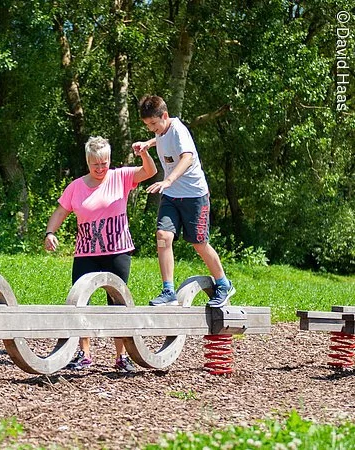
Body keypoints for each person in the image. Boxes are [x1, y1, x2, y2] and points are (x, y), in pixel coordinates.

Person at [43, 136, 157, 372]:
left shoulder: (120, 177)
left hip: (118, 251)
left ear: (109, 160)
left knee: (117, 304)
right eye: (95, 164)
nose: (100, 168)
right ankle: (84, 354)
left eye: (104, 162)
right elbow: (60, 212)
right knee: (81, 302)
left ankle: (121, 357)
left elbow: (150, 171)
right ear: (87, 162)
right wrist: (50, 232)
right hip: (86, 253)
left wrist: (144, 153)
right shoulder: (76, 187)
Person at [133, 95, 236, 308]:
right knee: (163, 236)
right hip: (172, 196)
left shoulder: (179, 130)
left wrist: (168, 180)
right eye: (147, 125)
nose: (151, 128)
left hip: (194, 196)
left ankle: (224, 284)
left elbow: (187, 157)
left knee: (198, 243)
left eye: (153, 123)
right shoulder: (161, 131)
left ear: (165, 115)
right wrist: (147, 144)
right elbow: (161, 137)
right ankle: (168, 290)